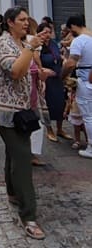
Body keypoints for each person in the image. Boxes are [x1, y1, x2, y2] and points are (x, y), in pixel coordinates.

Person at [0, 6, 47, 240]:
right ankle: (29, 214)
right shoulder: (5, 44)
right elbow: (15, 71)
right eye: (21, 20)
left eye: (26, 19)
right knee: (22, 156)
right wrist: (31, 47)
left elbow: (31, 69)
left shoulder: (21, 42)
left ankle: (13, 191)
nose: (26, 23)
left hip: (21, 108)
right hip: (5, 110)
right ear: (10, 22)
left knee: (14, 153)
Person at [62, 14, 92, 158]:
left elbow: (71, 63)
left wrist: (63, 76)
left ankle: (91, 147)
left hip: (85, 81)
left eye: (69, 29)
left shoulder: (78, 41)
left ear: (73, 26)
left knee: (88, 116)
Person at [37, 22, 72, 142]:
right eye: (45, 32)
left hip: (57, 76)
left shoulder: (53, 44)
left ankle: (60, 129)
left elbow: (58, 56)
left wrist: (63, 60)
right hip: (46, 79)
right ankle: (49, 130)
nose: (48, 35)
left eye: (49, 32)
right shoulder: (39, 47)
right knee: (48, 104)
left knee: (60, 103)